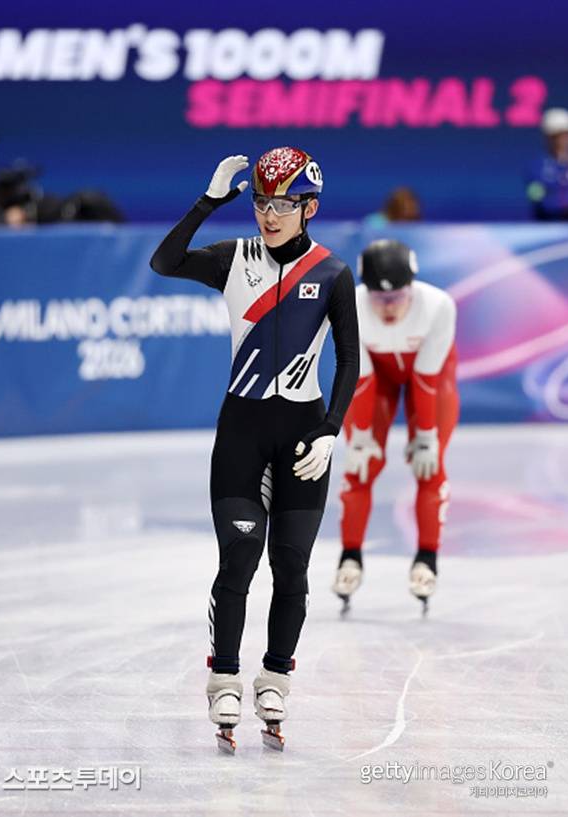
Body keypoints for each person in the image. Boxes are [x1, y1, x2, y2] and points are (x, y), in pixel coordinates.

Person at [150, 148, 359, 750]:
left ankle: (275, 675)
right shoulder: (232, 259)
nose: (268, 216)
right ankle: (223, 677)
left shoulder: (332, 273)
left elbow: (350, 356)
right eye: (261, 203)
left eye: (282, 206)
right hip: (240, 431)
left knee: (291, 563)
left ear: (308, 208)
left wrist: (331, 429)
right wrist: (209, 201)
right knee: (239, 559)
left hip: (302, 435)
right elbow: (165, 263)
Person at [333, 239, 458, 613]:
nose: (388, 307)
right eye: (379, 298)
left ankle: (427, 558)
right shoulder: (350, 305)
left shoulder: (438, 306)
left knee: (430, 464)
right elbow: (363, 380)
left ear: (412, 287)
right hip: (376, 379)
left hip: (432, 379)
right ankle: (350, 556)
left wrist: (426, 437)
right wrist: (360, 439)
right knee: (360, 465)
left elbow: (425, 381)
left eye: (398, 297)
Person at [526, 108, 568, 221]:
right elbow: (536, 196)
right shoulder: (537, 166)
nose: (563, 140)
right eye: (557, 136)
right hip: (549, 225)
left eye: (567, 135)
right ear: (548, 138)